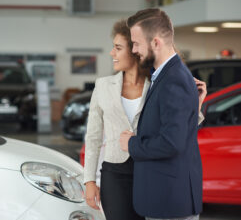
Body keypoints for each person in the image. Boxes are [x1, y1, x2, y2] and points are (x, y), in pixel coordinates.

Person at [84, 19, 206, 220]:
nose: (111, 53)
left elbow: (177, 133)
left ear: (135, 50)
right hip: (116, 175)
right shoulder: (103, 86)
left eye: (118, 47)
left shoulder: (159, 83)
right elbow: (93, 137)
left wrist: (195, 107)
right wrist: (89, 181)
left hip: (153, 170)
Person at [119, 8, 206, 220]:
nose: (134, 50)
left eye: (137, 43)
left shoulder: (173, 79)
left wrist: (131, 144)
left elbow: (171, 142)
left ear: (156, 42)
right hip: (166, 196)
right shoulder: (166, 75)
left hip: (169, 200)